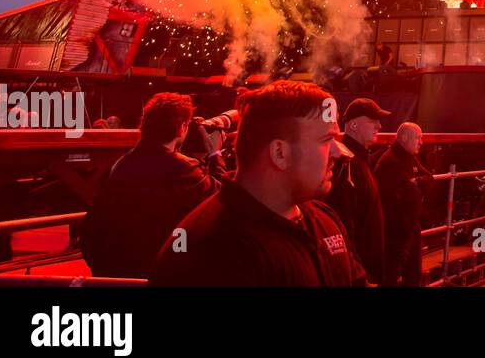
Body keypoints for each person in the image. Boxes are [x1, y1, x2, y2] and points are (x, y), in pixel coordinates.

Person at [149, 80, 366, 286]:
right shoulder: (213, 253)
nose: (339, 152)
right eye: (327, 140)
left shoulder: (325, 219)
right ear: (280, 153)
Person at [81, 93, 224, 278]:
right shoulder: (184, 169)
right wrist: (216, 154)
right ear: (182, 128)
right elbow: (222, 197)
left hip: (113, 269)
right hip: (155, 273)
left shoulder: (121, 164)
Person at [325, 98, 390, 282]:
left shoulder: (357, 161)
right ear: (352, 125)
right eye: (372, 121)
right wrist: (359, 274)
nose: (379, 125)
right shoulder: (347, 164)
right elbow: (343, 223)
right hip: (362, 273)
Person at [374, 121, 434, 286]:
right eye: (418, 138)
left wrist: (417, 182)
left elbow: (429, 178)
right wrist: (415, 185)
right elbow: (402, 193)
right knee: (391, 275)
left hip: (410, 226)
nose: (421, 142)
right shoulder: (390, 162)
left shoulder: (410, 158)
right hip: (395, 230)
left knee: (413, 273)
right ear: (405, 138)